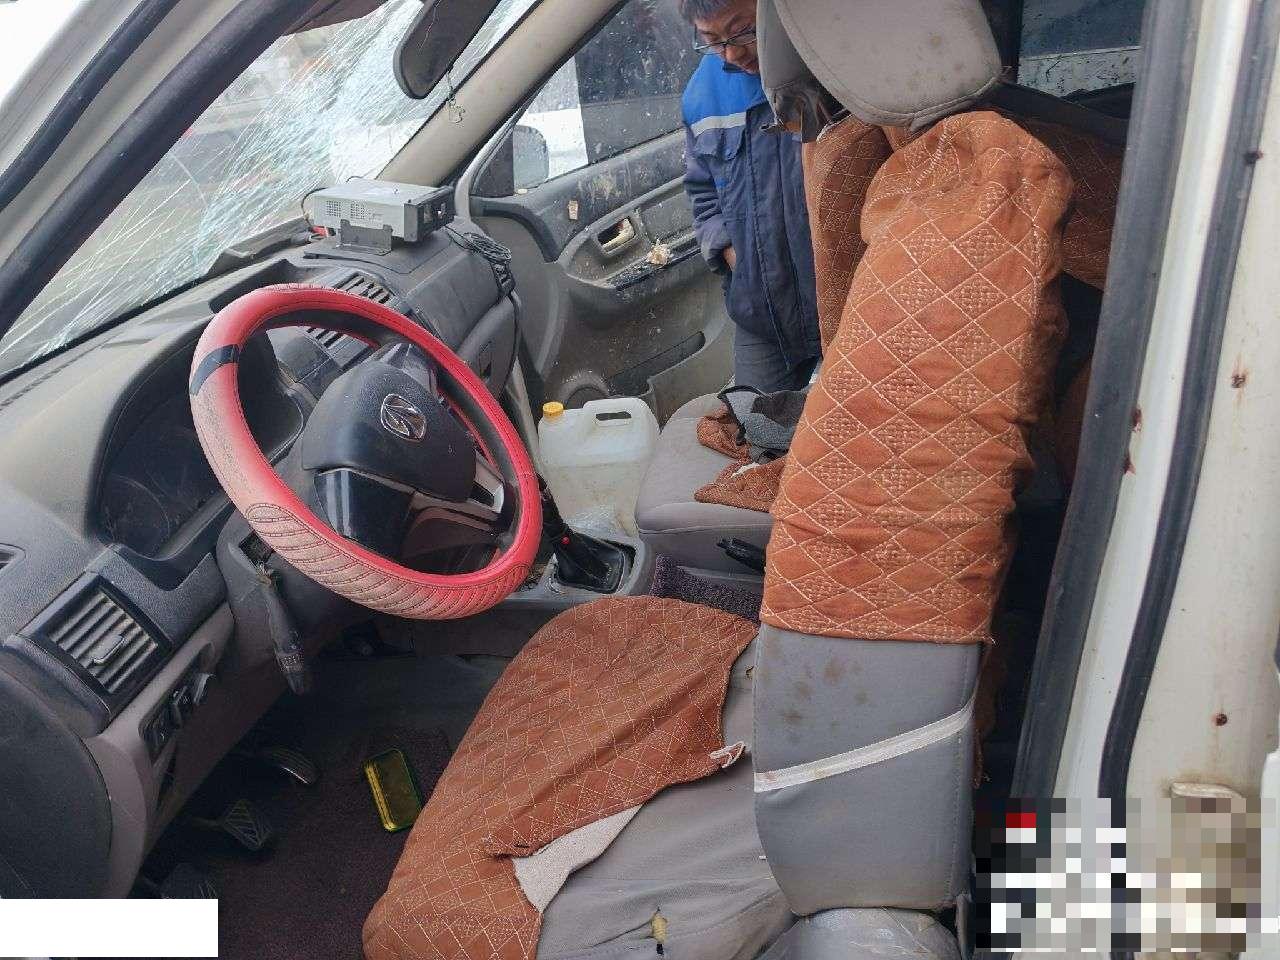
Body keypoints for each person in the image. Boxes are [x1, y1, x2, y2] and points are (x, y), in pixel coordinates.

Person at [679, 0, 819, 393]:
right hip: (762, 314)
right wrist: (732, 254)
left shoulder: (834, 63)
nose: (732, 53)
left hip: (848, 302)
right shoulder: (702, 96)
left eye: (743, 30)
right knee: (753, 422)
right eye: (712, 40)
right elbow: (703, 192)